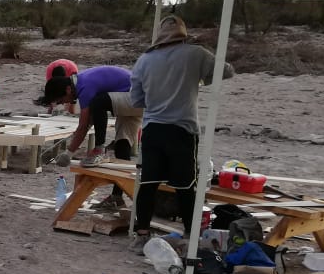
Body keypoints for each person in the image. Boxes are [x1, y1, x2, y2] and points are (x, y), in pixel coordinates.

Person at [128, 15, 235, 252]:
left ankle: (142, 234)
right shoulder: (196, 54)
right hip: (182, 129)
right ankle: (190, 234)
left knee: (148, 184)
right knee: (186, 186)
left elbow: (136, 99)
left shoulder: (144, 60)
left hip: (153, 130)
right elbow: (226, 71)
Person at [46, 65, 143, 209]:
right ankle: (116, 198)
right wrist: (69, 152)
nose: (65, 103)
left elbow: (84, 125)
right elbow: (87, 123)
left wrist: (69, 153)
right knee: (122, 145)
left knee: (99, 102)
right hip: (133, 99)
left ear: (67, 89)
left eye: (62, 100)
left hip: (137, 96)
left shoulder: (84, 86)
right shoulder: (82, 84)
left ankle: (99, 150)